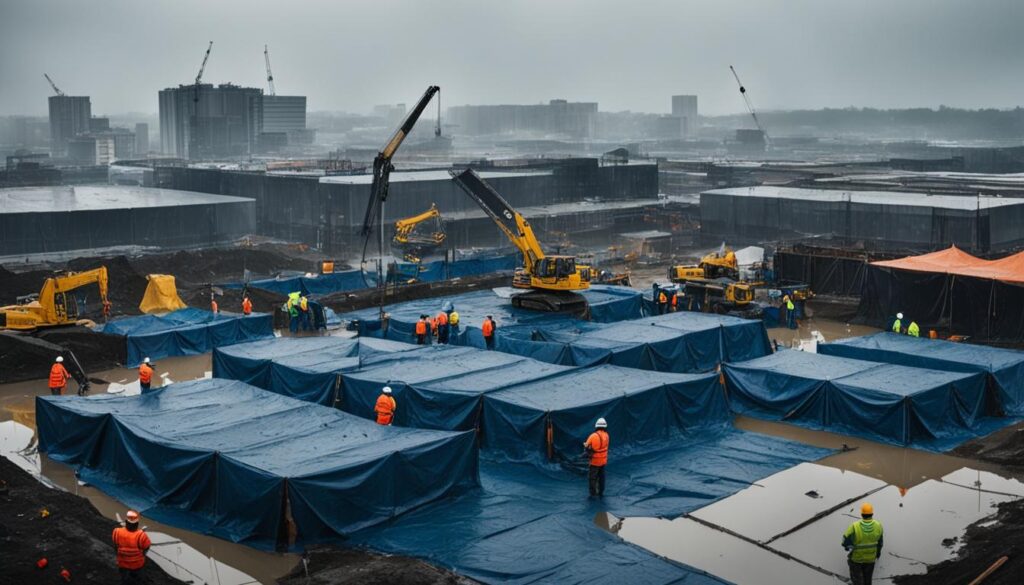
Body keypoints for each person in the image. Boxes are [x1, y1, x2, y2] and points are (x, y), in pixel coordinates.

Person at [842, 502, 884, 585]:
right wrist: (878, 554)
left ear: (862, 514)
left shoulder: (854, 526)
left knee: (857, 580)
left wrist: (848, 548)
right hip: (871, 559)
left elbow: (845, 542)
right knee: (868, 580)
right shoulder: (878, 525)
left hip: (857, 559)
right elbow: (880, 543)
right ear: (872, 513)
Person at [112, 510, 151, 584]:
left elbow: (115, 546)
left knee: (124, 579)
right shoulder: (141, 535)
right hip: (137, 564)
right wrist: (143, 555)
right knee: (138, 579)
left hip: (122, 562)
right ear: (137, 524)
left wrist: (118, 555)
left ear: (126, 522)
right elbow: (147, 547)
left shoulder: (116, 531)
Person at [583, 418, 610, 497]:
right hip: (603, 461)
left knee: (592, 478)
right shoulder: (607, 435)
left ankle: (593, 493)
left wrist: (586, 446)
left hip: (594, 462)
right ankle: (601, 492)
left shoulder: (593, 436)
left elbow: (587, 446)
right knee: (602, 477)